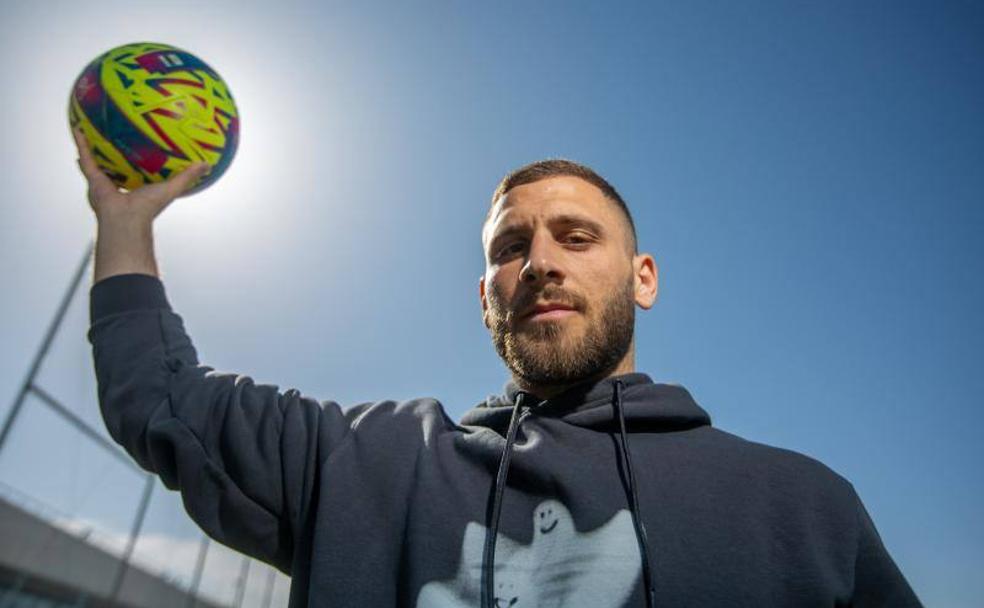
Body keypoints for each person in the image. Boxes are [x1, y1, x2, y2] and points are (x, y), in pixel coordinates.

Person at [74, 128, 922, 607]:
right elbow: (160, 397)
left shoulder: (803, 508)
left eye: (577, 237)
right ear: (487, 295)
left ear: (643, 278)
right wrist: (123, 221)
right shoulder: (371, 463)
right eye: (513, 248)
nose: (543, 262)